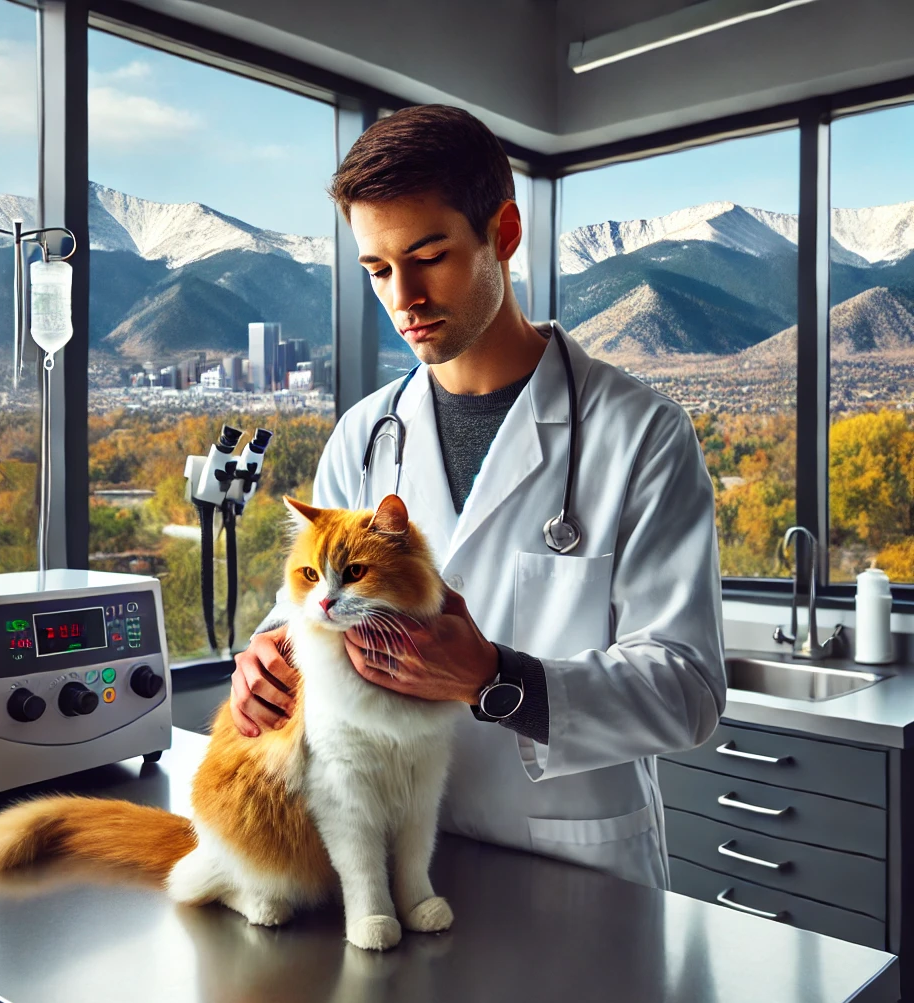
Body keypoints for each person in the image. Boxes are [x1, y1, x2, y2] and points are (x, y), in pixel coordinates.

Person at [229, 104, 726, 889]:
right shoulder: (365, 436)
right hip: (391, 856)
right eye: (379, 270)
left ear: (504, 234)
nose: (405, 298)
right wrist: (268, 658)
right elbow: (303, 608)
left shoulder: (641, 434)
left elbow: (688, 692)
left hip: (574, 872)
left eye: (430, 256)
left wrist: (496, 679)